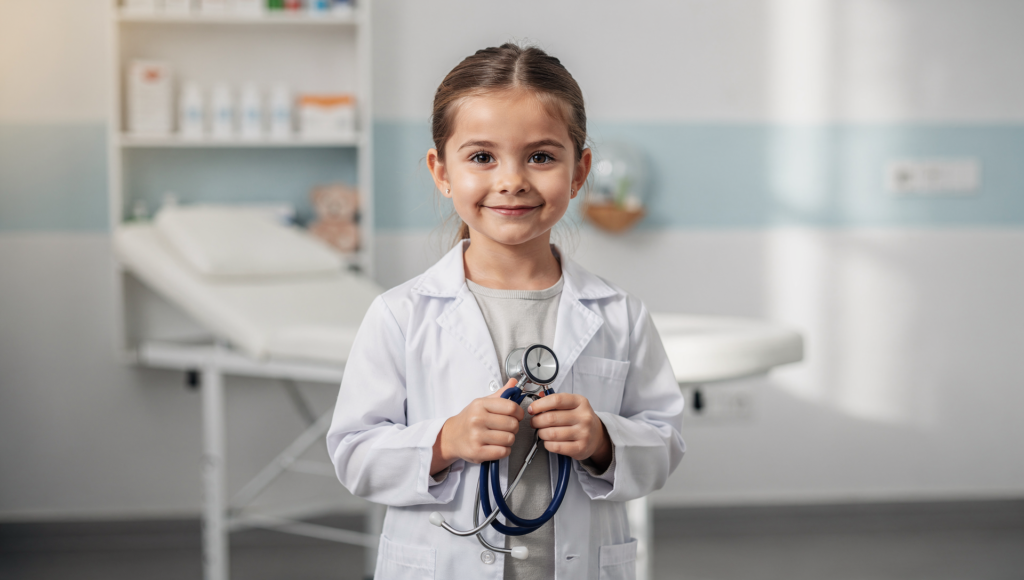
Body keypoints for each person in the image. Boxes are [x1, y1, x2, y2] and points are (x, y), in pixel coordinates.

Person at [327, 43, 685, 580]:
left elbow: (664, 439)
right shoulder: (401, 314)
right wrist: (444, 441)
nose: (512, 180)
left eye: (541, 156)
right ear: (442, 171)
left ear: (579, 171)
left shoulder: (619, 314)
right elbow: (354, 454)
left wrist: (604, 441)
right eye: (481, 157)